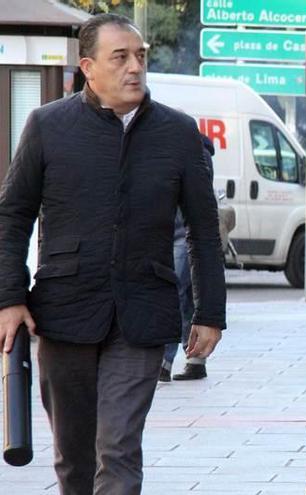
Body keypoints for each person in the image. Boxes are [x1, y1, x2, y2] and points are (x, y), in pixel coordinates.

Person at [0, 14, 226, 493]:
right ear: (88, 67)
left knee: (119, 448)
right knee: (73, 458)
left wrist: (210, 312)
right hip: (63, 313)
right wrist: (10, 297)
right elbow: (12, 216)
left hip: (142, 315)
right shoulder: (48, 125)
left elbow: (205, 230)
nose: (134, 68)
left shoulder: (179, 133)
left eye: (140, 56)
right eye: (119, 57)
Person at [160, 136, 216, 383]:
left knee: (176, 291)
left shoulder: (196, 153)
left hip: (183, 233)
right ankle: (195, 360)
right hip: (174, 232)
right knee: (185, 296)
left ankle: (166, 360)